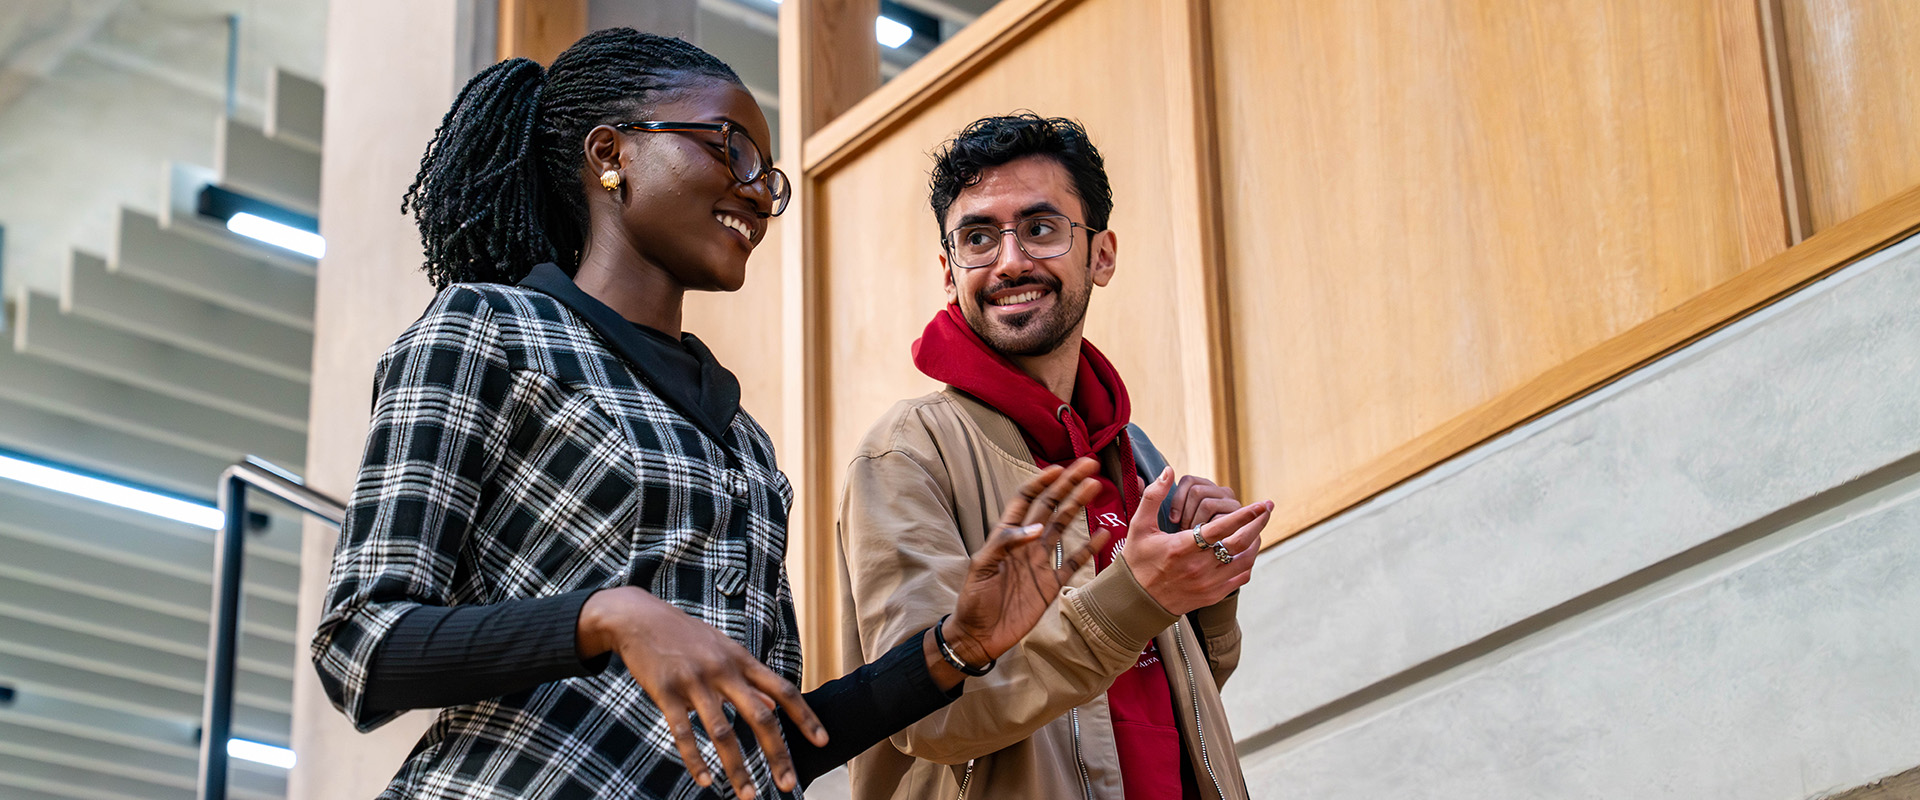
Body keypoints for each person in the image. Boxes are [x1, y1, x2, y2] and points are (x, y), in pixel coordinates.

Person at [311, 32, 1110, 800]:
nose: (759, 191)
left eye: (770, 176)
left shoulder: (744, 443)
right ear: (610, 154)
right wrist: (603, 617)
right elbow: (360, 645)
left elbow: (764, 740)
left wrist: (954, 649)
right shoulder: (487, 330)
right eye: (731, 149)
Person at [836, 113, 1270, 800]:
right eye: (979, 237)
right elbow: (924, 714)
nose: (1009, 261)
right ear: (949, 273)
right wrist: (1137, 595)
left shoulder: (1135, 452)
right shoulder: (907, 451)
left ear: (1101, 255)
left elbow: (1162, 697)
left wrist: (1208, 596)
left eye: (1040, 228)